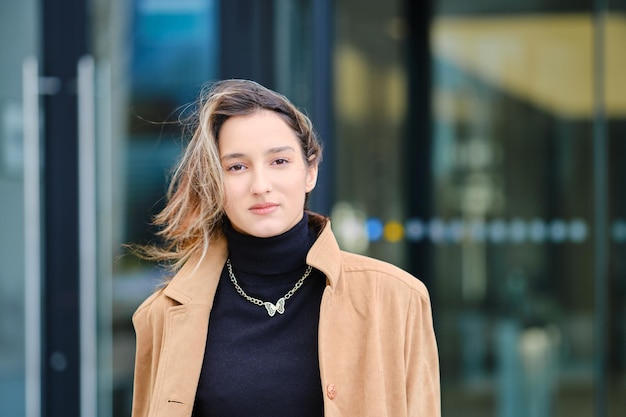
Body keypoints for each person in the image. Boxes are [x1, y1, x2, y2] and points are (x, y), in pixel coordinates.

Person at [131, 79, 440, 417]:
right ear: (213, 182)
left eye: (279, 161)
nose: (260, 186)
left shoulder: (397, 298)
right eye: (237, 167)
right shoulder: (162, 315)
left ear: (310, 171)